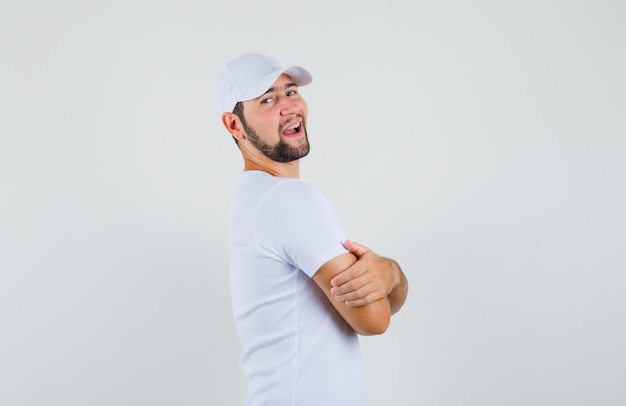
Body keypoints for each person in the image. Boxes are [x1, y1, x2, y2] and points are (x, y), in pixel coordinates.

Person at [216, 53, 409, 406]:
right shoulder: (286, 198)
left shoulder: (254, 198)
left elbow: (370, 310)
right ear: (234, 125)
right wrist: (391, 274)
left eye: (290, 92)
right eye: (267, 100)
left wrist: (385, 277)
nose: (288, 107)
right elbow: (374, 318)